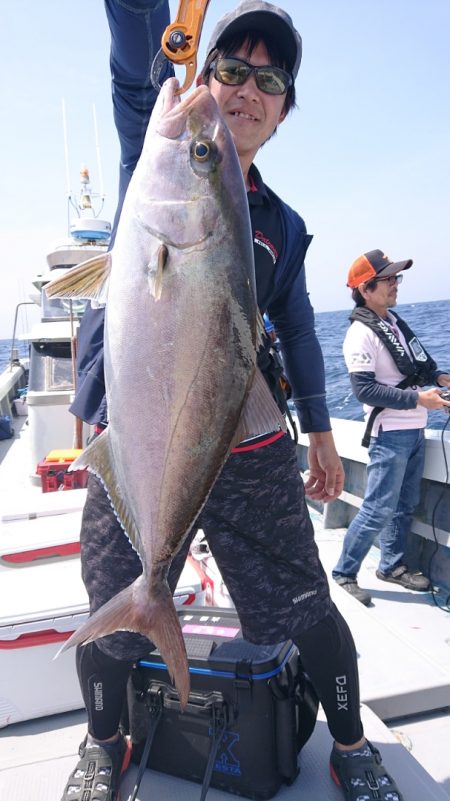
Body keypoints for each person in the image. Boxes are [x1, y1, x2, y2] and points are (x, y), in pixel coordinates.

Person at [60, 4, 405, 801]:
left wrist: (320, 429)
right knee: (110, 618)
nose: (246, 89)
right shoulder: (156, 161)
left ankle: (352, 749)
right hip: (139, 440)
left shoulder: (283, 224)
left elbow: (295, 326)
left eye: (270, 79)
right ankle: (102, 746)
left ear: (284, 110)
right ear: (203, 76)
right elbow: (135, 63)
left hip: (247, 448)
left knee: (307, 610)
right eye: (231, 69)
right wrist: (153, 21)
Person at [332, 249, 450, 606]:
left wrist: (441, 377)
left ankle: (392, 565)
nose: (395, 285)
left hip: (414, 431)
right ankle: (344, 571)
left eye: (396, 278)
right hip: (391, 434)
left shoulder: (395, 323)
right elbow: (364, 389)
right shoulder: (359, 335)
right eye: (388, 280)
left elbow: (422, 366)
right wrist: (420, 401)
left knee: (406, 503)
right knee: (378, 508)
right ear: (366, 290)